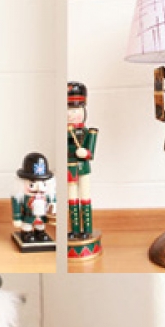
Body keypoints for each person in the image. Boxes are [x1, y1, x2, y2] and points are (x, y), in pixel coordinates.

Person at [67, 82, 99, 254]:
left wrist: (85, 152)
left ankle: (87, 229)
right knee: (72, 199)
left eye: (75, 110)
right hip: (69, 170)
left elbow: (91, 152)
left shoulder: (87, 132)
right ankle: (74, 229)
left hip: (83, 169)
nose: (70, 114)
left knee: (85, 197)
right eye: (67, 110)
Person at [11, 151, 56, 249]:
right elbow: (16, 206)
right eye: (32, 184)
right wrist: (17, 218)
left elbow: (53, 202)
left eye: (43, 183)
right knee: (27, 226)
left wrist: (53, 207)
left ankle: (40, 233)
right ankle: (27, 234)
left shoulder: (47, 196)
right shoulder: (22, 197)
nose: (38, 188)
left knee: (40, 226)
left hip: (42, 217)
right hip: (28, 217)